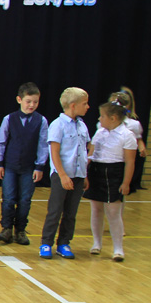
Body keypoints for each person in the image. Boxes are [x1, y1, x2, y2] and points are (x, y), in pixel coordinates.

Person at [0, 82, 49, 246]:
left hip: (28, 167)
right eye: (28, 101)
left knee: (25, 200)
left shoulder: (41, 121)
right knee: (8, 198)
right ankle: (6, 228)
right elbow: (1, 142)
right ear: (19, 100)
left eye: (35, 102)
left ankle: (20, 230)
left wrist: (39, 166)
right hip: (10, 165)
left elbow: (43, 145)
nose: (32, 105)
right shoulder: (9, 119)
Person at [40, 87, 92, 259]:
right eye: (85, 103)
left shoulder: (82, 126)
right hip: (62, 174)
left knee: (71, 212)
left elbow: (84, 151)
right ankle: (46, 242)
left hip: (78, 175)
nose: (88, 107)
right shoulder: (58, 125)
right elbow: (54, 152)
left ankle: (64, 243)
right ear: (73, 105)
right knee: (55, 210)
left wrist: (84, 175)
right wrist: (62, 175)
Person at [86, 101, 137, 261]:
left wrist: (126, 182)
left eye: (102, 116)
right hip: (97, 170)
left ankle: (118, 248)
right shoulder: (99, 132)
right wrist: (85, 174)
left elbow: (130, 162)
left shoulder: (127, 135)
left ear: (113, 118)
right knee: (96, 210)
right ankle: (97, 243)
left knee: (114, 212)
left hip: (114, 172)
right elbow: (90, 155)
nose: (99, 119)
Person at [113, 88, 146, 192]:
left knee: (118, 191)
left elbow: (138, 138)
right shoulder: (104, 122)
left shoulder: (133, 124)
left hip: (122, 161)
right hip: (107, 160)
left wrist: (142, 148)